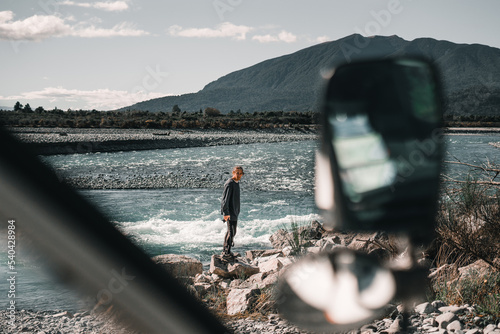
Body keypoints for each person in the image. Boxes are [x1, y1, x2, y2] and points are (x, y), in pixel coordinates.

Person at [220, 166, 244, 258]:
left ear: (242, 174)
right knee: (231, 232)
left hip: (235, 212)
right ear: (233, 172)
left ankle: (227, 250)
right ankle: (226, 252)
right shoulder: (229, 183)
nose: (238, 175)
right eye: (236, 172)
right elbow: (224, 200)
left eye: (240, 173)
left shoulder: (236, 183)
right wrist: (225, 213)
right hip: (229, 212)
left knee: (232, 232)